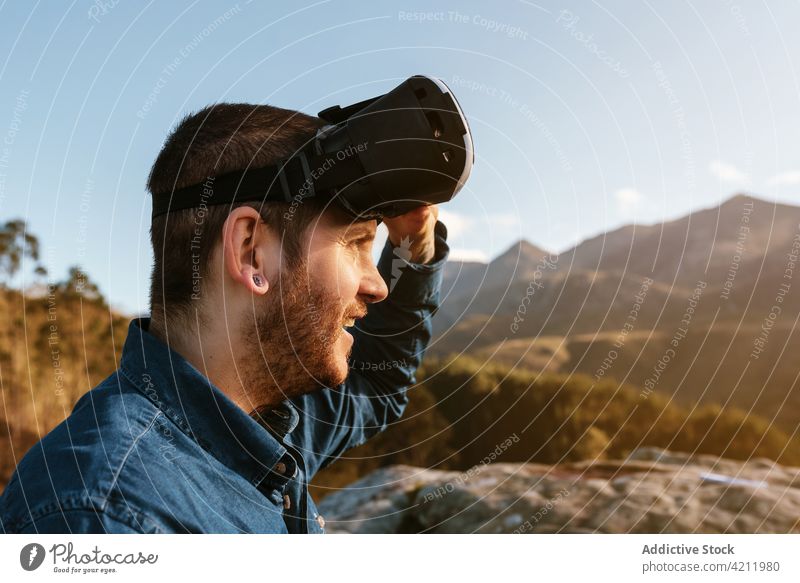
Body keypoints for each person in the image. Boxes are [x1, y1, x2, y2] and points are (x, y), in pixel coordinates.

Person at [0, 102, 449, 533]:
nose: (378, 285)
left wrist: (416, 245)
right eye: (354, 243)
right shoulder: (107, 515)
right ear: (251, 251)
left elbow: (376, 386)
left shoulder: (260, 425)